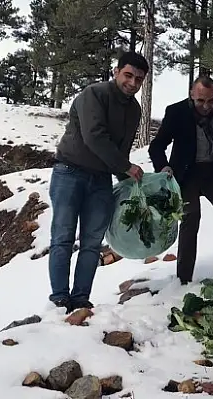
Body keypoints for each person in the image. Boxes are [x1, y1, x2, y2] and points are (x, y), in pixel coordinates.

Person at [48, 52, 149, 313]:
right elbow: (94, 136)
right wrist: (126, 167)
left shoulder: (135, 110)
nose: (133, 83)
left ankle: (81, 299)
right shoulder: (94, 94)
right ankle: (59, 299)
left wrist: (128, 180)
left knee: (92, 244)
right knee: (63, 238)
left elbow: (121, 150)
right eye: (128, 75)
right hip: (70, 172)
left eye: (139, 79)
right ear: (116, 72)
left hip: (101, 180)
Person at [148, 75, 213, 285]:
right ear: (192, 95)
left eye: (210, 101)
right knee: (191, 217)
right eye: (201, 101)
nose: (206, 106)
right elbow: (156, 146)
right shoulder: (176, 112)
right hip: (186, 174)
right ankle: (184, 278)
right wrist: (163, 167)